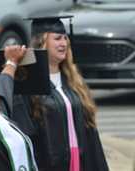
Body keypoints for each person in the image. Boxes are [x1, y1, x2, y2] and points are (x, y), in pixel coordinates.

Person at [12, 16, 109, 171]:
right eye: (57, 38)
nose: (63, 43)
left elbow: (91, 134)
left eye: (65, 39)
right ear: (41, 43)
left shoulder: (74, 82)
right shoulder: (28, 85)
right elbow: (27, 134)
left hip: (81, 163)